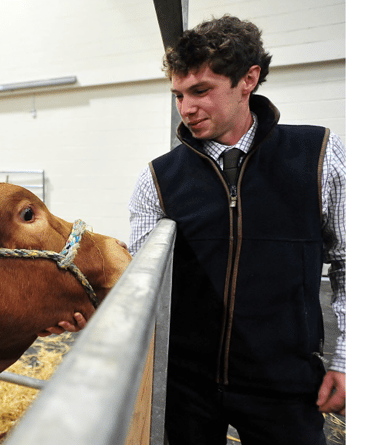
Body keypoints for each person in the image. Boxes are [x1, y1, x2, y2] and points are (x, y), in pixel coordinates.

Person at [127, 15, 345, 444]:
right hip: (188, 387)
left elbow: (352, 264)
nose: (186, 108)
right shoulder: (157, 179)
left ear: (249, 79)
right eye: (178, 95)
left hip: (285, 382)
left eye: (201, 91)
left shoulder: (317, 154)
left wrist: (348, 358)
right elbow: (140, 287)